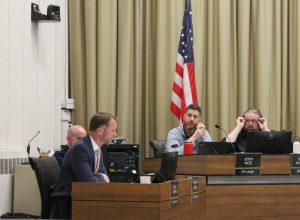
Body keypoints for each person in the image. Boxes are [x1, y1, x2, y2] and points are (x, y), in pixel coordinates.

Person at [53, 112, 117, 193]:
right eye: (113, 130)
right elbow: (89, 183)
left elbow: (103, 176)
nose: (115, 134)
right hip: (69, 200)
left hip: (84, 196)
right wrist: (102, 178)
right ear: (100, 131)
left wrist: (100, 177)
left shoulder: (97, 148)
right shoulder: (80, 148)